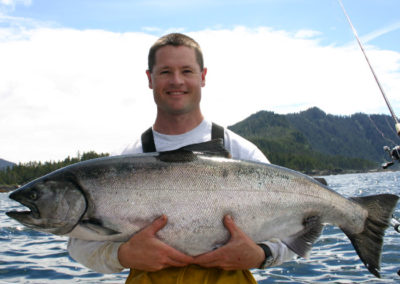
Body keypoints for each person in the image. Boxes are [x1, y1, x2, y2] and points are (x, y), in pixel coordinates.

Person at [68, 33, 295, 284]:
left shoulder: (243, 154)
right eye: (165, 72)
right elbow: (78, 246)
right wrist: (123, 255)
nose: (176, 81)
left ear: (203, 76)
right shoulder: (124, 161)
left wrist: (260, 255)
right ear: (150, 79)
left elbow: (297, 233)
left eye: (186, 71)